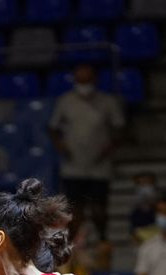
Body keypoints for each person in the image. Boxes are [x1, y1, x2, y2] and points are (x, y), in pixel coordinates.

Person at [48, 63, 125, 241]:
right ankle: (73, 247)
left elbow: (119, 129)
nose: (84, 83)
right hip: (73, 166)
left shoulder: (108, 102)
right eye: (80, 79)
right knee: (75, 210)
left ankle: (102, 241)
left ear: (95, 79)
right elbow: (53, 128)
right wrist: (60, 145)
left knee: (99, 209)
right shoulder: (65, 101)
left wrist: (110, 148)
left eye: (87, 79)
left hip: (99, 166)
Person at [128, 173, 160, 243]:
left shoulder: (162, 211)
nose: (145, 188)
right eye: (141, 184)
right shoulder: (135, 213)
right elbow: (133, 234)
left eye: (148, 183)